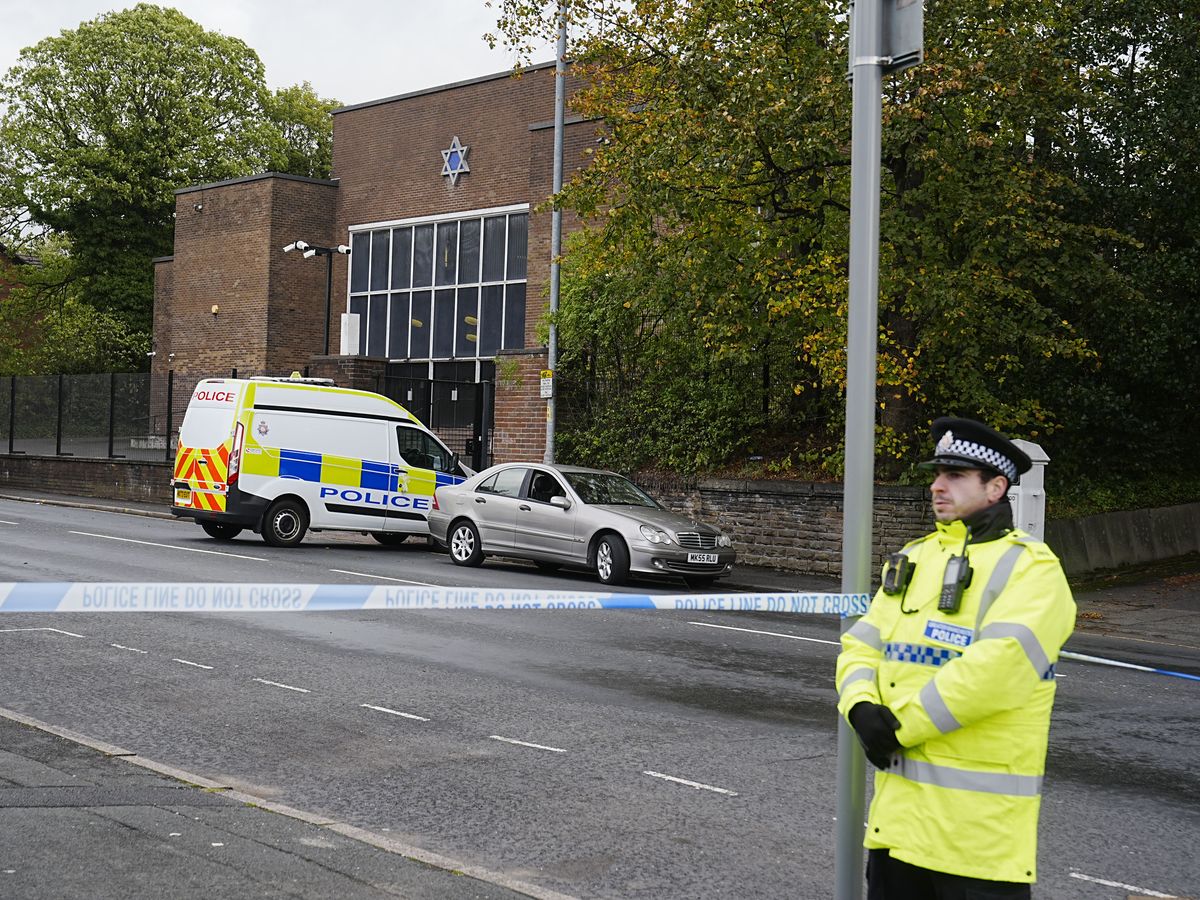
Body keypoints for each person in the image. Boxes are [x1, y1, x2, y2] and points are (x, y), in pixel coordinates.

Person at [836, 417, 1076, 898]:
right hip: (897, 835)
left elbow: (996, 673)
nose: (937, 485)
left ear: (996, 487)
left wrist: (896, 727)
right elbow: (861, 644)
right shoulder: (912, 558)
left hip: (977, 848)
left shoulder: (1032, 569)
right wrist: (860, 707)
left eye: (955, 475)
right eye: (937, 473)